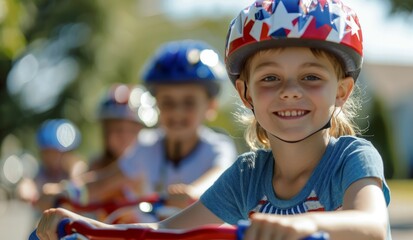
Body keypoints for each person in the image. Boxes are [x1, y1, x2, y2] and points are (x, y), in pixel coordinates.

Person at [34, 1, 392, 239]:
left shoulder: (350, 158)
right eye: (270, 78)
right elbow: (165, 232)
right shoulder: (247, 175)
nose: (290, 91)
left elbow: (372, 224)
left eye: (311, 77)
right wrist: (87, 227)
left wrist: (304, 225)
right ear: (246, 93)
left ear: (342, 91)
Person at [40, 40, 237, 215]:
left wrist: (194, 192)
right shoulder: (146, 146)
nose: (177, 112)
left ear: (211, 106)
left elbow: (218, 177)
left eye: (189, 102)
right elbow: (104, 182)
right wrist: (63, 193)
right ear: (156, 104)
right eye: (168, 102)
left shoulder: (217, 147)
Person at [17, 119, 86, 212]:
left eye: (54, 153)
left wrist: (55, 190)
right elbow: (30, 183)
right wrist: (26, 189)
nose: (49, 158)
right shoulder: (43, 170)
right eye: (46, 153)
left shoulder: (76, 167)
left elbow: (79, 182)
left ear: (68, 153)